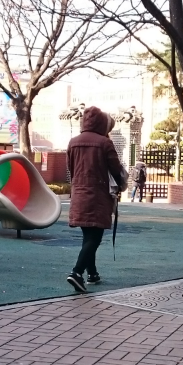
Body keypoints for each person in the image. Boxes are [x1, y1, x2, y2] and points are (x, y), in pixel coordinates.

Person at [66, 106, 126, 293]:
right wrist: (120, 185)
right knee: (95, 237)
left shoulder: (73, 142)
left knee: (88, 236)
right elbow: (115, 169)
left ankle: (92, 273)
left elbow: (70, 168)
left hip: (79, 194)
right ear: (102, 124)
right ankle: (77, 272)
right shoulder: (105, 143)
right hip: (98, 195)